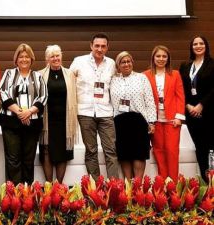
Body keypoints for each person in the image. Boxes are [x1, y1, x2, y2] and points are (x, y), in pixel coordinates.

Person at [70, 32, 119, 180]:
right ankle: (96, 188)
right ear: (91, 46)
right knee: (91, 151)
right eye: (97, 45)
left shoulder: (112, 64)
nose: (99, 49)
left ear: (107, 48)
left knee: (110, 150)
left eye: (103, 46)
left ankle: (114, 187)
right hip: (85, 112)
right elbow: (69, 82)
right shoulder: (79, 61)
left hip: (106, 113)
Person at [0, 43, 47, 184]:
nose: (24, 59)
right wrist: (20, 113)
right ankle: (13, 194)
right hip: (10, 122)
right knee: (13, 158)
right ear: (16, 59)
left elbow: (43, 97)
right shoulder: (9, 73)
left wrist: (29, 112)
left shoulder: (37, 76)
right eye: (21, 56)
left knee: (28, 159)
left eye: (27, 56)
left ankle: (27, 194)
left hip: (32, 122)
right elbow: (2, 92)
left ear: (31, 59)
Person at [110, 51, 156, 181]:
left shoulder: (141, 78)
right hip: (120, 121)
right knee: (124, 155)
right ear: (118, 65)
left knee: (139, 154)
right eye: (123, 62)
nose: (126, 64)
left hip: (139, 121)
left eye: (128, 61)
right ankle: (128, 187)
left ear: (132, 63)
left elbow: (150, 100)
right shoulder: (113, 80)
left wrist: (151, 122)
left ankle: (138, 187)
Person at [144, 45, 185, 182]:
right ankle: (163, 186)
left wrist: (179, 117)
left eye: (164, 56)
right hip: (154, 121)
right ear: (153, 58)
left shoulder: (175, 74)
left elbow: (180, 96)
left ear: (168, 59)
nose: (161, 59)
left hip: (172, 121)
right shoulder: (145, 75)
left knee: (172, 152)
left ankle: (173, 186)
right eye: (158, 56)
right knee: (158, 152)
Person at [38, 45, 77, 183]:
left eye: (57, 55)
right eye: (52, 56)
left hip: (64, 120)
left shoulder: (70, 74)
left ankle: (59, 186)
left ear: (61, 56)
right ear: (47, 59)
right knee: (46, 149)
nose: (55, 58)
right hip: (47, 119)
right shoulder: (40, 74)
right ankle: (48, 185)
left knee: (63, 152)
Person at [179, 36, 214, 181]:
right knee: (200, 149)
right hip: (192, 115)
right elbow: (181, 89)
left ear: (206, 46)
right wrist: (188, 106)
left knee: (211, 148)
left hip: (210, 113)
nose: (198, 46)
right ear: (191, 47)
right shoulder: (185, 66)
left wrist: (201, 105)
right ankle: (206, 184)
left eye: (201, 43)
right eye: (195, 44)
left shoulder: (212, 64)